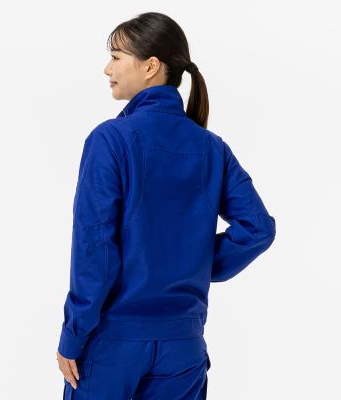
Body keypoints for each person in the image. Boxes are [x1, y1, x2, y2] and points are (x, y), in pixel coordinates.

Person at [56, 11, 276, 400]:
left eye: (116, 57)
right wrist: (190, 264)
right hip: (183, 349)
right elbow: (258, 228)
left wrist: (73, 336)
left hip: (114, 344)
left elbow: (96, 250)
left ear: (150, 66)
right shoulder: (211, 147)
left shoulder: (111, 139)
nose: (108, 68)